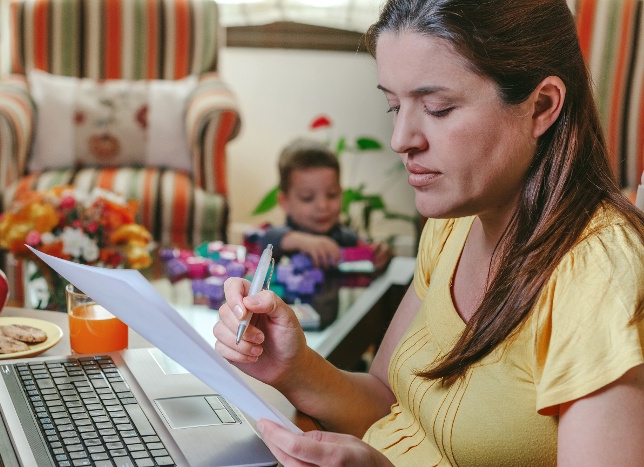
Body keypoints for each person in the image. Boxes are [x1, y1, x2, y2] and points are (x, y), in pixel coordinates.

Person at [214, 0, 644, 465]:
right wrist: (291, 367)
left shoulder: (599, 272)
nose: (401, 138)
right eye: (394, 105)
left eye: (438, 108)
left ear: (541, 106)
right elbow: (386, 402)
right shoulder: (455, 223)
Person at [259, 137, 393, 270]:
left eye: (332, 195)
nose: (323, 205)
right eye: (307, 198)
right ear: (284, 202)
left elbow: (372, 251)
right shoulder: (278, 239)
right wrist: (299, 240)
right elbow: (259, 239)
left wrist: (381, 253)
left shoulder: (346, 238)